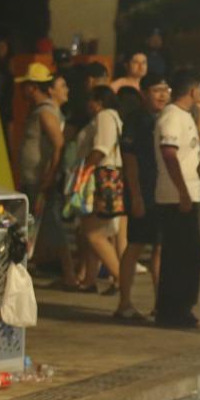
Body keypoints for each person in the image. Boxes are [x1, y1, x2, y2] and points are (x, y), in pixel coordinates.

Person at [116, 73, 170, 321]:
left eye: (165, 90)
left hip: (162, 192)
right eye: (156, 90)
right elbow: (130, 161)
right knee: (136, 245)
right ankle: (124, 304)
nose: (162, 95)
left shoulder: (167, 118)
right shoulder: (136, 120)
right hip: (142, 191)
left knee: (160, 247)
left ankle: (161, 304)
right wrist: (135, 195)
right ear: (144, 93)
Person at [155, 72, 200, 328]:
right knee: (178, 256)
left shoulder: (186, 115)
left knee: (189, 255)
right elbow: (169, 154)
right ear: (193, 90)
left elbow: (198, 142)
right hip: (176, 197)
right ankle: (172, 310)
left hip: (188, 194)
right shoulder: (172, 116)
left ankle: (182, 307)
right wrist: (183, 191)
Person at [17, 67, 75, 287]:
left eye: (25, 85)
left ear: (33, 87)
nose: (22, 90)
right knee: (41, 224)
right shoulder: (41, 110)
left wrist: (49, 177)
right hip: (36, 178)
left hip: (40, 180)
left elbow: (58, 143)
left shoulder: (45, 112)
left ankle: (68, 273)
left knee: (51, 224)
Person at [69, 86, 127, 294]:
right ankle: (90, 280)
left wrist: (82, 173)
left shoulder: (104, 117)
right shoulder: (113, 117)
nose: (88, 106)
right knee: (91, 230)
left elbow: (101, 148)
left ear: (98, 101)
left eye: (90, 101)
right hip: (109, 178)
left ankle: (122, 279)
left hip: (101, 179)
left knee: (94, 233)